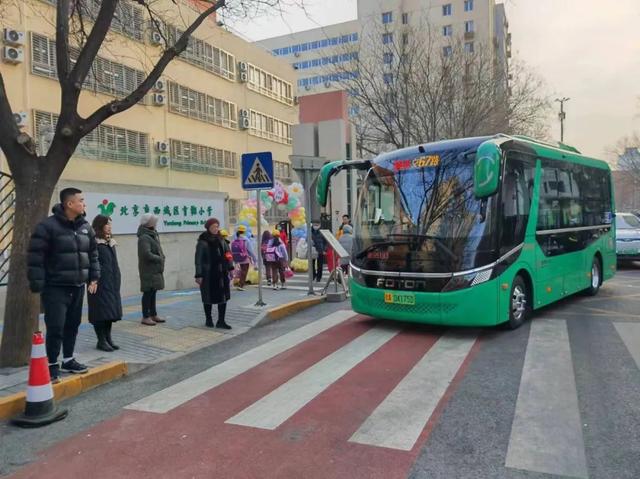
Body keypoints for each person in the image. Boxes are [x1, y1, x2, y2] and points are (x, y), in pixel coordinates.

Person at [28, 187, 99, 382]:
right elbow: (36, 257)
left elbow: (92, 254)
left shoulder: (86, 227)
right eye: (81, 200)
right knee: (56, 326)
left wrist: (94, 276)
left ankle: (68, 359)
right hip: (55, 287)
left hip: (78, 286)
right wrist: (38, 283)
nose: (84, 204)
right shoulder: (47, 227)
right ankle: (51, 364)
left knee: (73, 325)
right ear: (69, 204)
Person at [87, 215, 122, 352]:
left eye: (110, 224)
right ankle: (101, 340)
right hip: (98, 283)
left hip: (111, 282)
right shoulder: (94, 242)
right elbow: (91, 263)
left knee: (110, 313)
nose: (109, 227)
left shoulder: (109, 242)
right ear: (100, 225)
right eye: (107, 224)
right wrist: (93, 279)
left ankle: (108, 338)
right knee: (100, 313)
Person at [195, 218, 233, 329]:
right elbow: (198, 260)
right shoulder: (202, 242)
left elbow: (228, 254)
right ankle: (209, 319)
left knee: (223, 297)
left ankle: (221, 321)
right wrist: (199, 275)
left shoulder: (222, 240)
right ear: (208, 228)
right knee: (208, 297)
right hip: (208, 274)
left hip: (221, 272)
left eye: (217, 226)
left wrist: (230, 267)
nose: (215, 229)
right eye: (213, 227)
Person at [137, 214, 166, 326]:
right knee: (148, 292)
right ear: (149, 223)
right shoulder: (144, 237)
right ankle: (145, 316)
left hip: (154, 270)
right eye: (154, 221)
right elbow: (146, 254)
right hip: (148, 270)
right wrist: (159, 258)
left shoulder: (152, 234)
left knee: (153, 291)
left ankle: (153, 314)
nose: (156, 223)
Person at [231, 224, 256, 291]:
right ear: (244, 231)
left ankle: (239, 283)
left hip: (238, 257)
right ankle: (241, 285)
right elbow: (250, 250)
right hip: (245, 257)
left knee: (242, 270)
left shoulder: (235, 239)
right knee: (244, 271)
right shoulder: (245, 240)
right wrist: (254, 258)